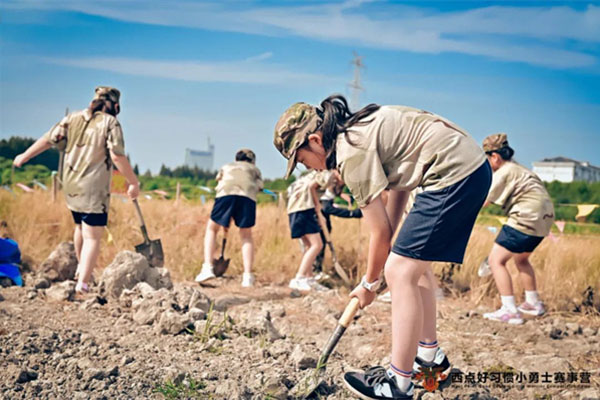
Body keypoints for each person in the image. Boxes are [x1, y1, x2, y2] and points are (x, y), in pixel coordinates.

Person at [274, 96, 491, 399]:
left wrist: (368, 284)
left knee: (400, 270)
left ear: (315, 139)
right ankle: (430, 361)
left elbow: (379, 232)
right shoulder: (357, 131)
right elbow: (399, 186)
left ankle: (397, 384)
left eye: (301, 159)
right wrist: (394, 244)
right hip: (467, 168)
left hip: (453, 174)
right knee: (412, 266)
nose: (308, 169)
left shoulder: (351, 154)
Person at [13, 87, 139, 294]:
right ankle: (83, 283)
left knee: (80, 226)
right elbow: (117, 155)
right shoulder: (110, 123)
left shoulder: (72, 118)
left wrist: (24, 156)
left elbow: (48, 139)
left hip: (70, 184)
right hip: (93, 187)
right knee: (93, 236)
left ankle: (81, 269)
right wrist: (133, 182)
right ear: (116, 106)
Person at [481, 133, 554, 324]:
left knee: (496, 260)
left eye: (486, 159)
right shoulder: (521, 169)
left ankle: (510, 310)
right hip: (544, 219)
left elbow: (484, 199)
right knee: (521, 260)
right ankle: (533, 303)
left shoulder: (505, 171)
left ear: (494, 157)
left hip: (525, 216)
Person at [195, 149, 263, 288]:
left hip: (225, 194)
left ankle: (207, 267)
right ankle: (248, 276)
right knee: (246, 235)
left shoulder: (226, 166)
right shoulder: (254, 169)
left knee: (212, 229)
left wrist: (226, 218)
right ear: (252, 161)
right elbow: (260, 186)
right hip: (247, 196)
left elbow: (218, 180)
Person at [285, 169, 332, 291]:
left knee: (308, 246)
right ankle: (299, 278)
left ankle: (309, 278)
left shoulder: (311, 174)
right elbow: (311, 187)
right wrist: (319, 212)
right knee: (317, 245)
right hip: (304, 208)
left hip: (294, 209)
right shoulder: (327, 173)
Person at [313, 170, 362, 276]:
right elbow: (327, 208)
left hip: (323, 214)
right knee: (318, 243)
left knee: (323, 240)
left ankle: (318, 270)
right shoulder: (330, 179)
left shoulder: (338, 183)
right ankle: (314, 271)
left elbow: (334, 194)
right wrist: (352, 213)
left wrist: (344, 196)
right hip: (315, 213)